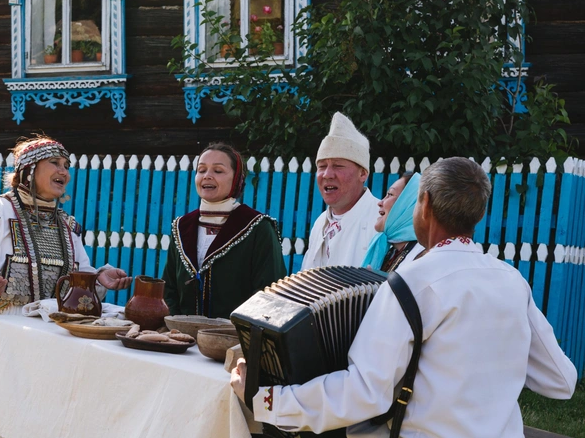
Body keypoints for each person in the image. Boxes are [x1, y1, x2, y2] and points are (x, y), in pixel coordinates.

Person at [231, 157, 577, 437]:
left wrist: (267, 399)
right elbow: (561, 382)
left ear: (423, 205)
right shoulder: (512, 280)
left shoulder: (409, 283)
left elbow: (365, 392)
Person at [0, 136, 132, 438]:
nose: (65, 172)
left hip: (53, 329)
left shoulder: (67, 226)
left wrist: (98, 279)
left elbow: (80, 276)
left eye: (67, 166)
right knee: (4, 407)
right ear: (29, 170)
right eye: (55, 164)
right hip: (2, 325)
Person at [162, 142, 287, 319]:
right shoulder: (182, 227)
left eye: (218, 171)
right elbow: (169, 289)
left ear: (236, 179)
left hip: (234, 340)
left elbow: (270, 293)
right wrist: (175, 327)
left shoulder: (257, 227)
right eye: (201, 170)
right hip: (181, 338)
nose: (207, 176)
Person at [301, 112, 380, 270]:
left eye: (338, 166)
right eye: (322, 166)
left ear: (363, 173)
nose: (327, 175)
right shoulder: (320, 223)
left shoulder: (380, 222)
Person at [360, 172, 424, 272]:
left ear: (407, 207)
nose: (380, 202)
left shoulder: (421, 256)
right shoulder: (392, 251)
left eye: (390, 194)